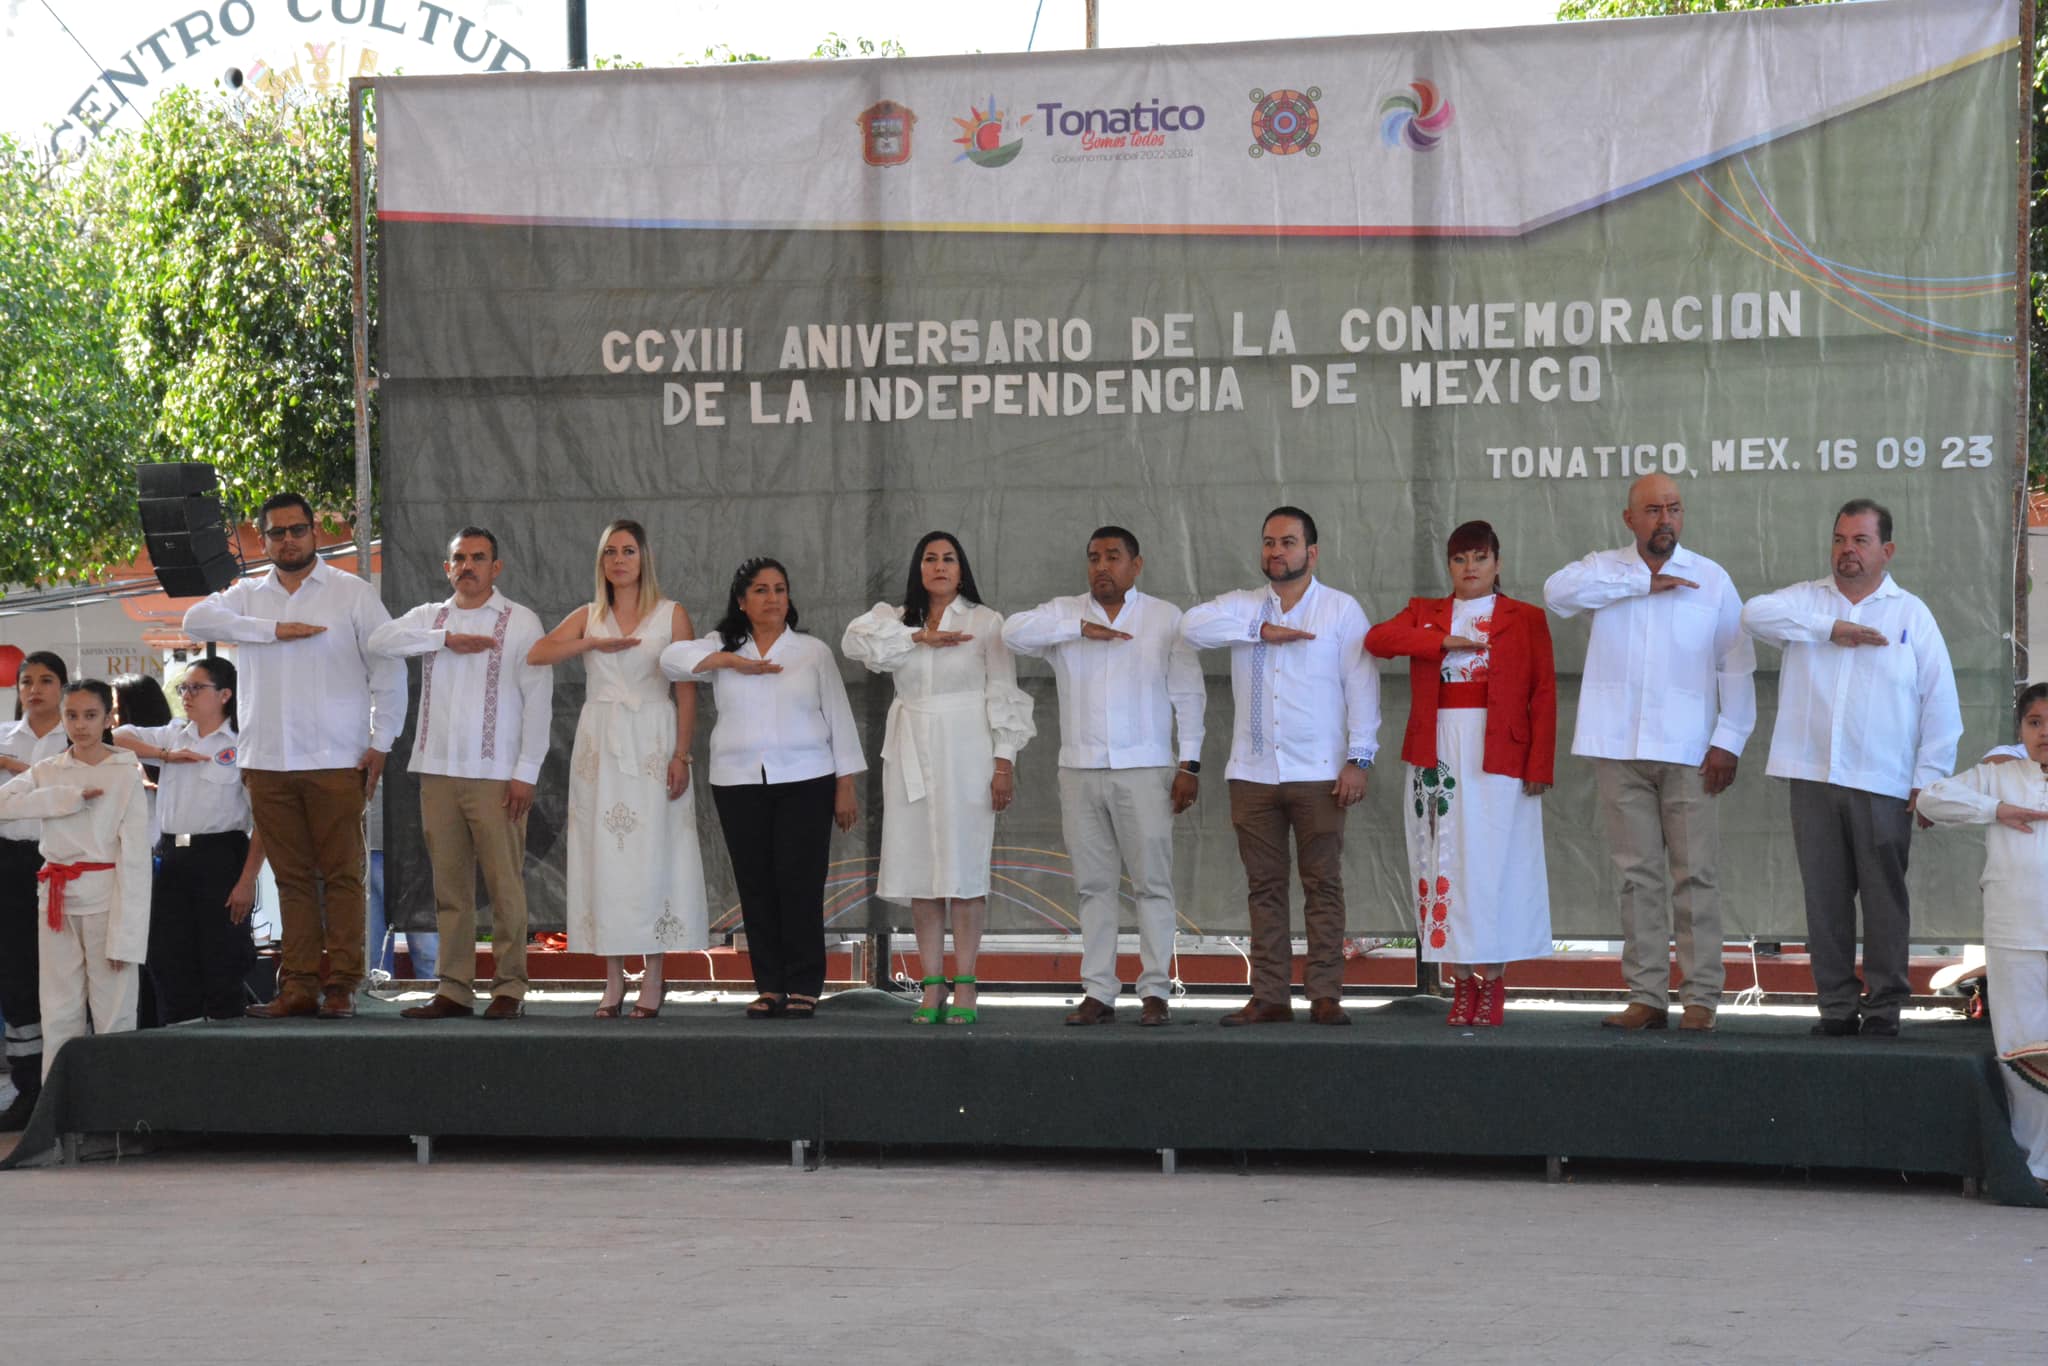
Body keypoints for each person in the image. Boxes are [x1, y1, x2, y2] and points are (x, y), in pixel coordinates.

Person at [1543, 475, 1757, 1032]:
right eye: (1653, 510)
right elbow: (1555, 594)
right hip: (1617, 747)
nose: (1665, 519)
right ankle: (1647, 995)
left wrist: (1728, 740)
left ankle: (1702, 998)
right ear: (1629, 518)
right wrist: (1638, 584)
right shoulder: (1605, 569)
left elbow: (1735, 664)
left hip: (1690, 749)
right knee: (1637, 876)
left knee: (1695, 875)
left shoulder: (1710, 578)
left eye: (1675, 509)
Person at [1742, 498, 1962, 1038]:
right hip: (1812, 775)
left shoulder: (1910, 613)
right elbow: (1751, 614)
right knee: (1824, 897)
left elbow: (1940, 700)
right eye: (1840, 539)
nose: (1848, 551)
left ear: (1887, 550)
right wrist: (1830, 628)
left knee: (1885, 898)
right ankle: (1836, 1008)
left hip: (1882, 779)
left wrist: (1927, 779)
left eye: (1861, 541)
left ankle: (1885, 1007)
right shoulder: (1804, 601)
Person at [184, 492, 407, 1021]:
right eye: (277, 532)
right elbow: (195, 620)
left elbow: (389, 669)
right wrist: (272, 631)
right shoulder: (246, 595)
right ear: (262, 540)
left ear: (314, 532)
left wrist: (383, 742)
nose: (288, 539)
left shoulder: (351, 593)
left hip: (337, 758)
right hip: (266, 761)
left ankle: (344, 985)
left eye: (297, 529)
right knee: (290, 879)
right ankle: (300, 985)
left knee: (343, 876)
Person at [1182, 506, 1380, 1027]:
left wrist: (1358, 760)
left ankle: (1324, 994)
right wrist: (1260, 629)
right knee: (1264, 887)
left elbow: (1362, 688)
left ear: (1311, 552)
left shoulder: (1340, 610)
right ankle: (1270, 995)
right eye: (1269, 542)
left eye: (1288, 542)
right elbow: (1191, 625)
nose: (1277, 551)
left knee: (1323, 883)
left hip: (1319, 771)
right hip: (1252, 773)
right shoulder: (1242, 607)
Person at [1003, 525, 1204, 1027]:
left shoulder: (1164, 618)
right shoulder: (1064, 615)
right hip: (1080, 770)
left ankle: (1155, 989)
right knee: (1093, 886)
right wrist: (1078, 628)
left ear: (1136, 565)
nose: (1101, 567)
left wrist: (1190, 764)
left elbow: (1188, 695)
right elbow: (1010, 632)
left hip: (1147, 768)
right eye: (1093, 557)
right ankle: (1099, 991)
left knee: (1152, 885)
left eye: (1113, 557)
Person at [1367, 521, 1555, 1027]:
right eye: (1459, 560)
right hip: (1437, 750)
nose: (1469, 569)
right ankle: (1462, 981)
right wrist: (1440, 643)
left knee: (1492, 864)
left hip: (1499, 755)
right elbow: (1378, 639)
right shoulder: (1426, 613)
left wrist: (1538, 765)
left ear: (1498, 563)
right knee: (1442, 855)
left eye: (1479, 558)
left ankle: (1492, 982)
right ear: (1448, 566)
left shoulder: (1526, 617)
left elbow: (1543, 694)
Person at [843, 532, 1035, 1025]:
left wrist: (1003, 760)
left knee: (964, 871)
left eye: (949, 558)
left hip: (967, 748)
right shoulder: (894, 618)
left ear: (961, 567)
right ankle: (931, 985)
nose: (939, 566)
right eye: (930, 558)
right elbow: (854, 641)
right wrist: (919, 636)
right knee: (923, 874)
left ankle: (967, 983)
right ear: (919, 567)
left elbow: (1002, 692)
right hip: (910, 749)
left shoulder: (984, 621)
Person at [662, 557, 865, 1020]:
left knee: (800, 883)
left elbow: (838, 716)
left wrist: (845, 783)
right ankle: (769, 985)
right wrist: (726, 660)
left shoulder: (811, 651)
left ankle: (804, 983)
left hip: (807, 780)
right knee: (756, 885)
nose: (772, 598)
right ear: (741, 601)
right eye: (760, 590)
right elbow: (669, 659)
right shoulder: (721, 647)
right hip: (738, 783)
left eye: (779, 589)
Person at [369, 527, 552, 1021]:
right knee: (450, 889)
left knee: (505, 885)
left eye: (478, 557)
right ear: (446, 567)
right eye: (459, 558)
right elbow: (378, 641)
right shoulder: (432, 617)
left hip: (497, 775)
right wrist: (443, 640)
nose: (468, 566)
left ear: (498, 567)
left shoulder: (521, 622)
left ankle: (509, 986)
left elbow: (539, 703)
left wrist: (526, 773)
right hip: (437, 772)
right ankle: (454, 989)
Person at [528, 519, 706, 1018]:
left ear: (643, 558)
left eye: (629, 550)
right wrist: (590, 644)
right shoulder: (590, 614)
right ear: (601, 562)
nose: (620, 559)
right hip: (601, 745)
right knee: (603, 856)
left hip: (652, 738)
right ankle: (612, 979)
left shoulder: (672, 615)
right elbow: (538, 651)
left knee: (653, 854)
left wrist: (681, 755)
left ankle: (654, 973)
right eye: (611, 552)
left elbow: (687, 688)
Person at [1917, 682, 2048, 1193]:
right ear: (2020, 730)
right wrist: (1997, 810)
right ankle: (2034, 1168)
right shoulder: (1998, 776)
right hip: (2015, 931)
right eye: (2035, 722)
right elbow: (1932, 797)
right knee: (2022, 1050)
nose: (2045, 732)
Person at [0, 681, 151, 1077]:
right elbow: (3, 803)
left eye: (90, 716)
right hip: (55, 898)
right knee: (58, 1009)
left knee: (114, 1012)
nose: (80, 725)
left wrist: (128, 935)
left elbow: (135, 859)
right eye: (72, 716)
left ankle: (116, 1113)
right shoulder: (49, 770)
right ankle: (61, 1111)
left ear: (108, 719)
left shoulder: (125, 771)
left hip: (107, 900)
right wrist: (63, 799)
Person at [113, 658, 263, 1024]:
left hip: (221, 856)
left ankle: (225, 1045)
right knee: (168, 956)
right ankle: (182, 1043)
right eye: (184, 688)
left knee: (223, 957)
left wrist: (246, 881)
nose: (187, 695)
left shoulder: (243, 743)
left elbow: (265, 823)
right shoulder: (173, 733)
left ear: (226, 694)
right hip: (171, 855)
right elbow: (116, 736)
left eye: (197, 688)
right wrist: (165, 756)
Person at [0, 651, 68, 1126]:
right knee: (17, 974)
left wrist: (15, 769)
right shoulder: (3, 735)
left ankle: (67, 1082)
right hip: (9, 859)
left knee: (63, 973)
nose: (35, 689)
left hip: (61, 862)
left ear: (63, 687)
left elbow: (69, 795)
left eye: (46, 680)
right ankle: (28, 1087)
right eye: (27, 681)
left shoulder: (79, 738)